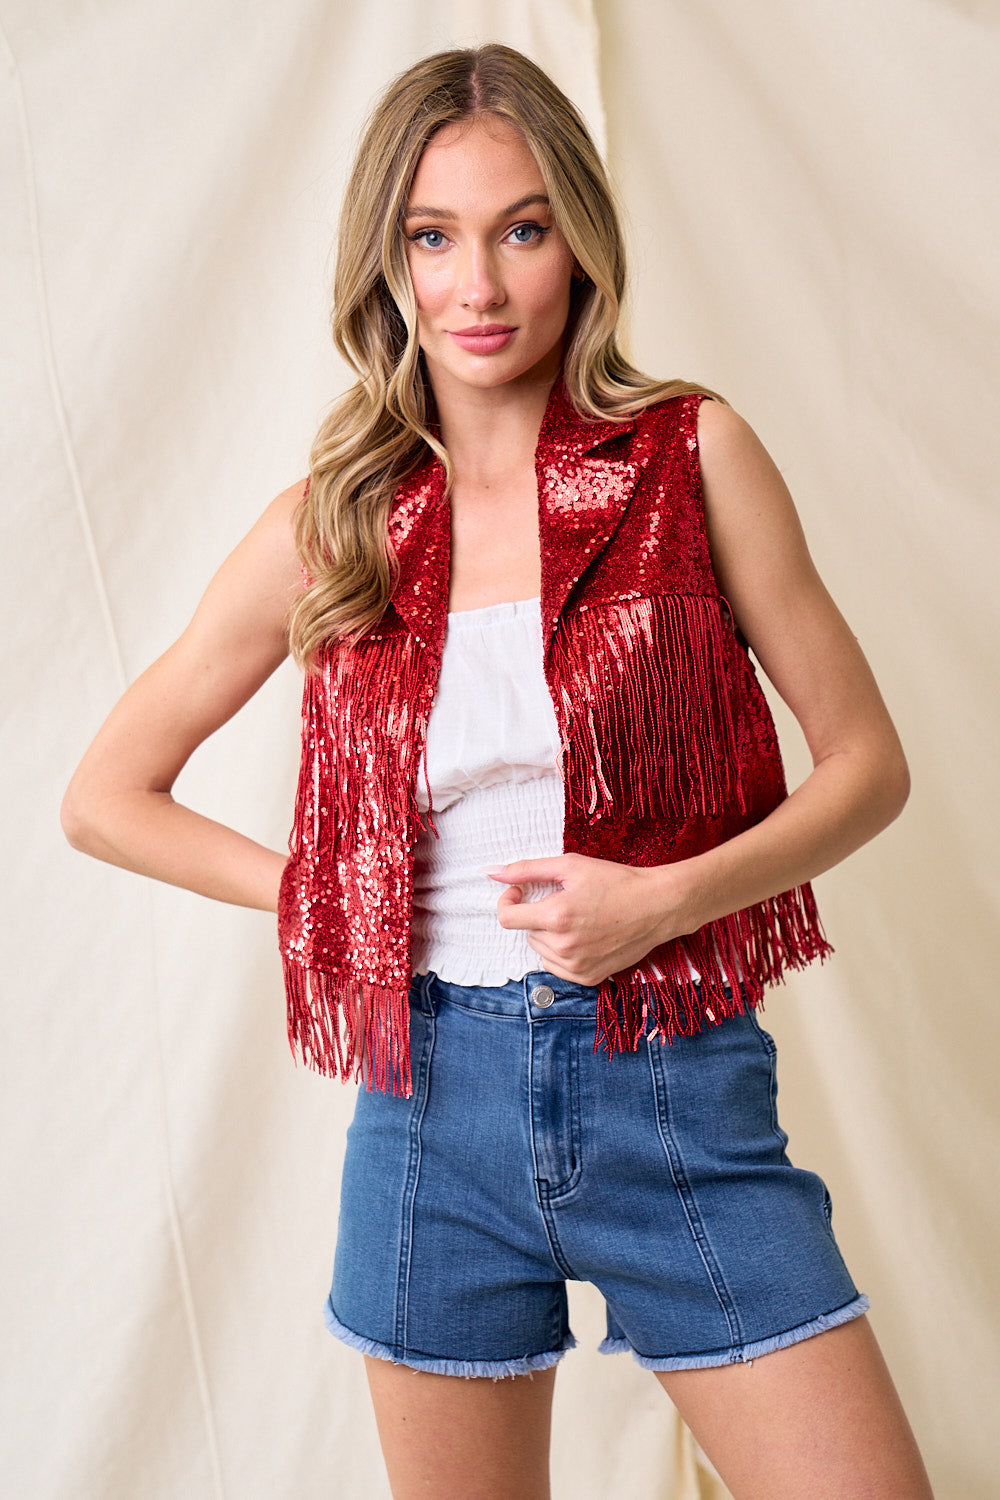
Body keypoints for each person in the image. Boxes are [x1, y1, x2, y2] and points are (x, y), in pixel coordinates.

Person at [62, 42, 933, 1500]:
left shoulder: (688, 458)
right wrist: (336, 899)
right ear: (388, 264)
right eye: (433, 237)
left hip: (671, 1079)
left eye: (521, 230)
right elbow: (105, 797)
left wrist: (664, 900)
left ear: (578, 244)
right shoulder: (334, 525)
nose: (478, 285)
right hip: (429, 1118)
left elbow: (868, 766)